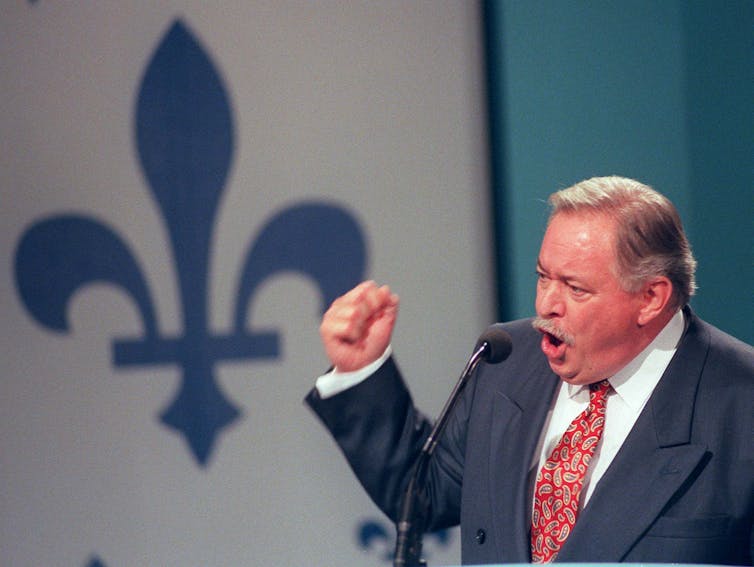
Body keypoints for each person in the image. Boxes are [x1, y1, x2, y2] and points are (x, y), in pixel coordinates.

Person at [305, 176, 754, 565]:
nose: (545, 306)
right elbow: (422, 496)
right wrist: (360, 370)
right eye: (543, 277)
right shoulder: (509, 360)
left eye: (574, 288)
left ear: (651, 297)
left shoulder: (740, 402)